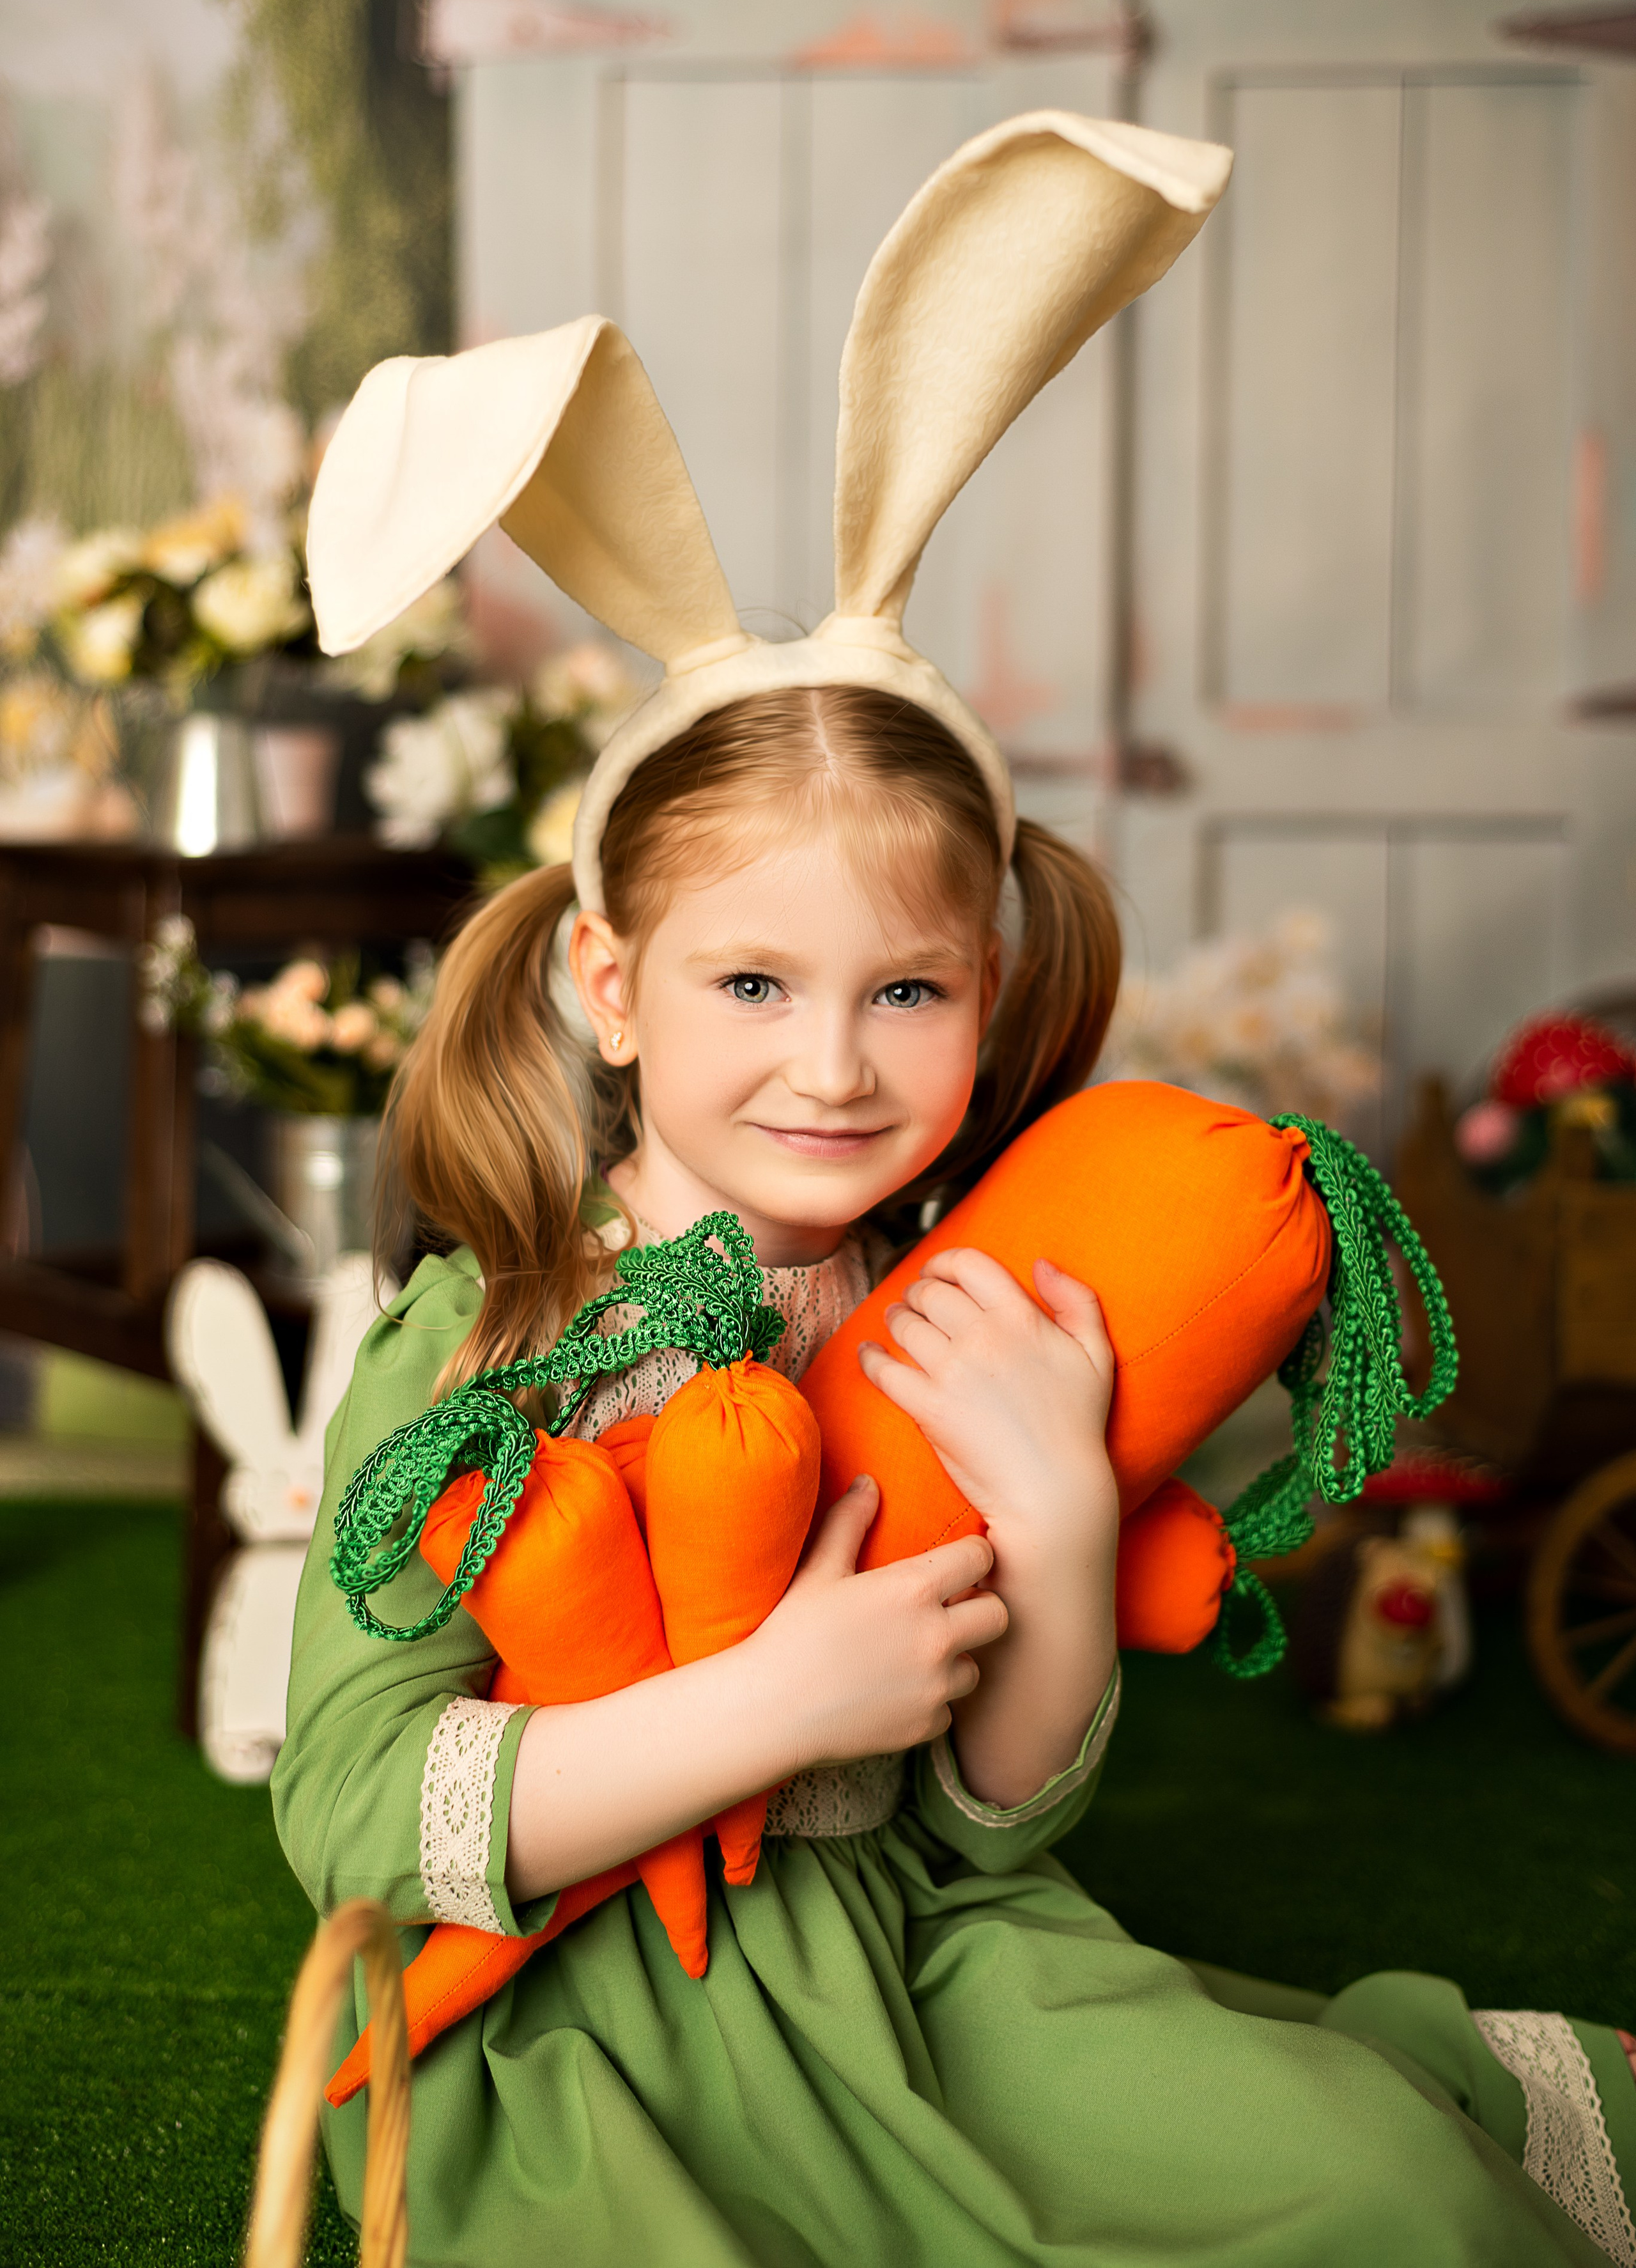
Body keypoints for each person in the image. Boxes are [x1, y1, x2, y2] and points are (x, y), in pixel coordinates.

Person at [275, 115, 1636, 2265]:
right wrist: (764, 1707)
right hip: (588, 2008)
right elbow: (347, 1806)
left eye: (904, 988)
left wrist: (1065, 1530)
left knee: (1380, 2191)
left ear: (991, 999)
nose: (832, 1062)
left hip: (927, 1948)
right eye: (752, 981)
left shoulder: (975, 1308)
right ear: (613, 987)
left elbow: (1002, 1805)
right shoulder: (487, 1332)